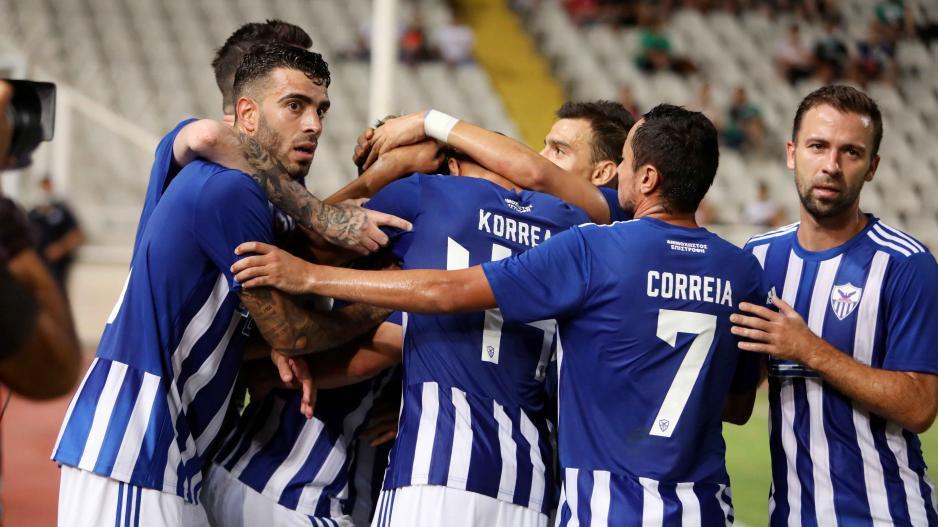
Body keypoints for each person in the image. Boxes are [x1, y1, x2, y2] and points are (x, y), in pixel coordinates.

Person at [231, 104, 766, 525]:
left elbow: (426, 288)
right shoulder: (737, 268)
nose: (535, 161)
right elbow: (737, 405)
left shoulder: (587, 244)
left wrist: (374, 188)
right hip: (551, 482)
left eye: (558, 149)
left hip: (459, 470)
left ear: (636, 176)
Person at [51, 42, 389, 526]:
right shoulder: (228, 187)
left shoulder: (256, 199)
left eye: (321, 110)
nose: (314, 124)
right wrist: (391, 298)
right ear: (246, 114)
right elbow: (293, 333)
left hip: (173, 455)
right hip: (134, 442)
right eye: (295, 106)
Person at [732, 85, 938, 525]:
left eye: (851, 152)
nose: (831, 165)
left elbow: (920, 407)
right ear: (792, 154)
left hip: (886, 515)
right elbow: (739, 399)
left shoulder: (905, 264)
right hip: (791, 515)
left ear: (872, 167)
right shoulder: (759, 257)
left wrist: (808, 349)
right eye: (818, 146)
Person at [360, 100, 635, 225]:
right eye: (544, 145)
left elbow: (537, 172)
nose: (541, 156)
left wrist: (428, 121)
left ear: (601, 174)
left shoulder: (617, 214)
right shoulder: (524, 214)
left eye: (559, 151)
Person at [28, 176, 85, 290]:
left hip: (58, 265)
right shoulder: (33, 213)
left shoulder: (62, 210)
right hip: (39, 262)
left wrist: (59, 248)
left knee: (57, 289)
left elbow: (77, 234)